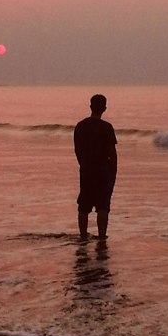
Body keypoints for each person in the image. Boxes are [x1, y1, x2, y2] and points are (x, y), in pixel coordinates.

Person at [73, 94, 117, 239]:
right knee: (103, 206)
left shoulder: (80, 126)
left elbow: (77, 150)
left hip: (86, 170)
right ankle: (102, 237)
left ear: (90, 106)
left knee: (84, 206)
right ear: (104, 108)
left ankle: (83, 235)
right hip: (103, 171)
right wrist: (113, 172)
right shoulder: (106, 127)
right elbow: (112, 152)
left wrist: (83, 164)